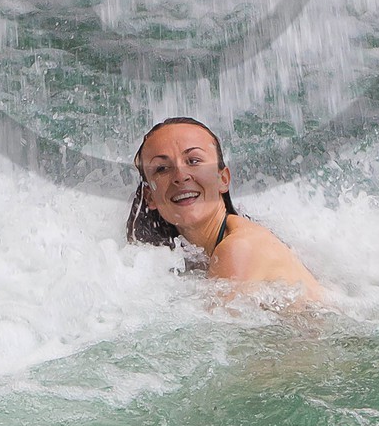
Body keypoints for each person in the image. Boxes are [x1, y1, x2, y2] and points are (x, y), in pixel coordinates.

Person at [126, 116, 325, 300]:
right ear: (150, 197)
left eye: (194, 161)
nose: (180, 175)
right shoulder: (197, 253)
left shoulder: (237, 249)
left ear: (223, 179)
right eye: (162, 168)